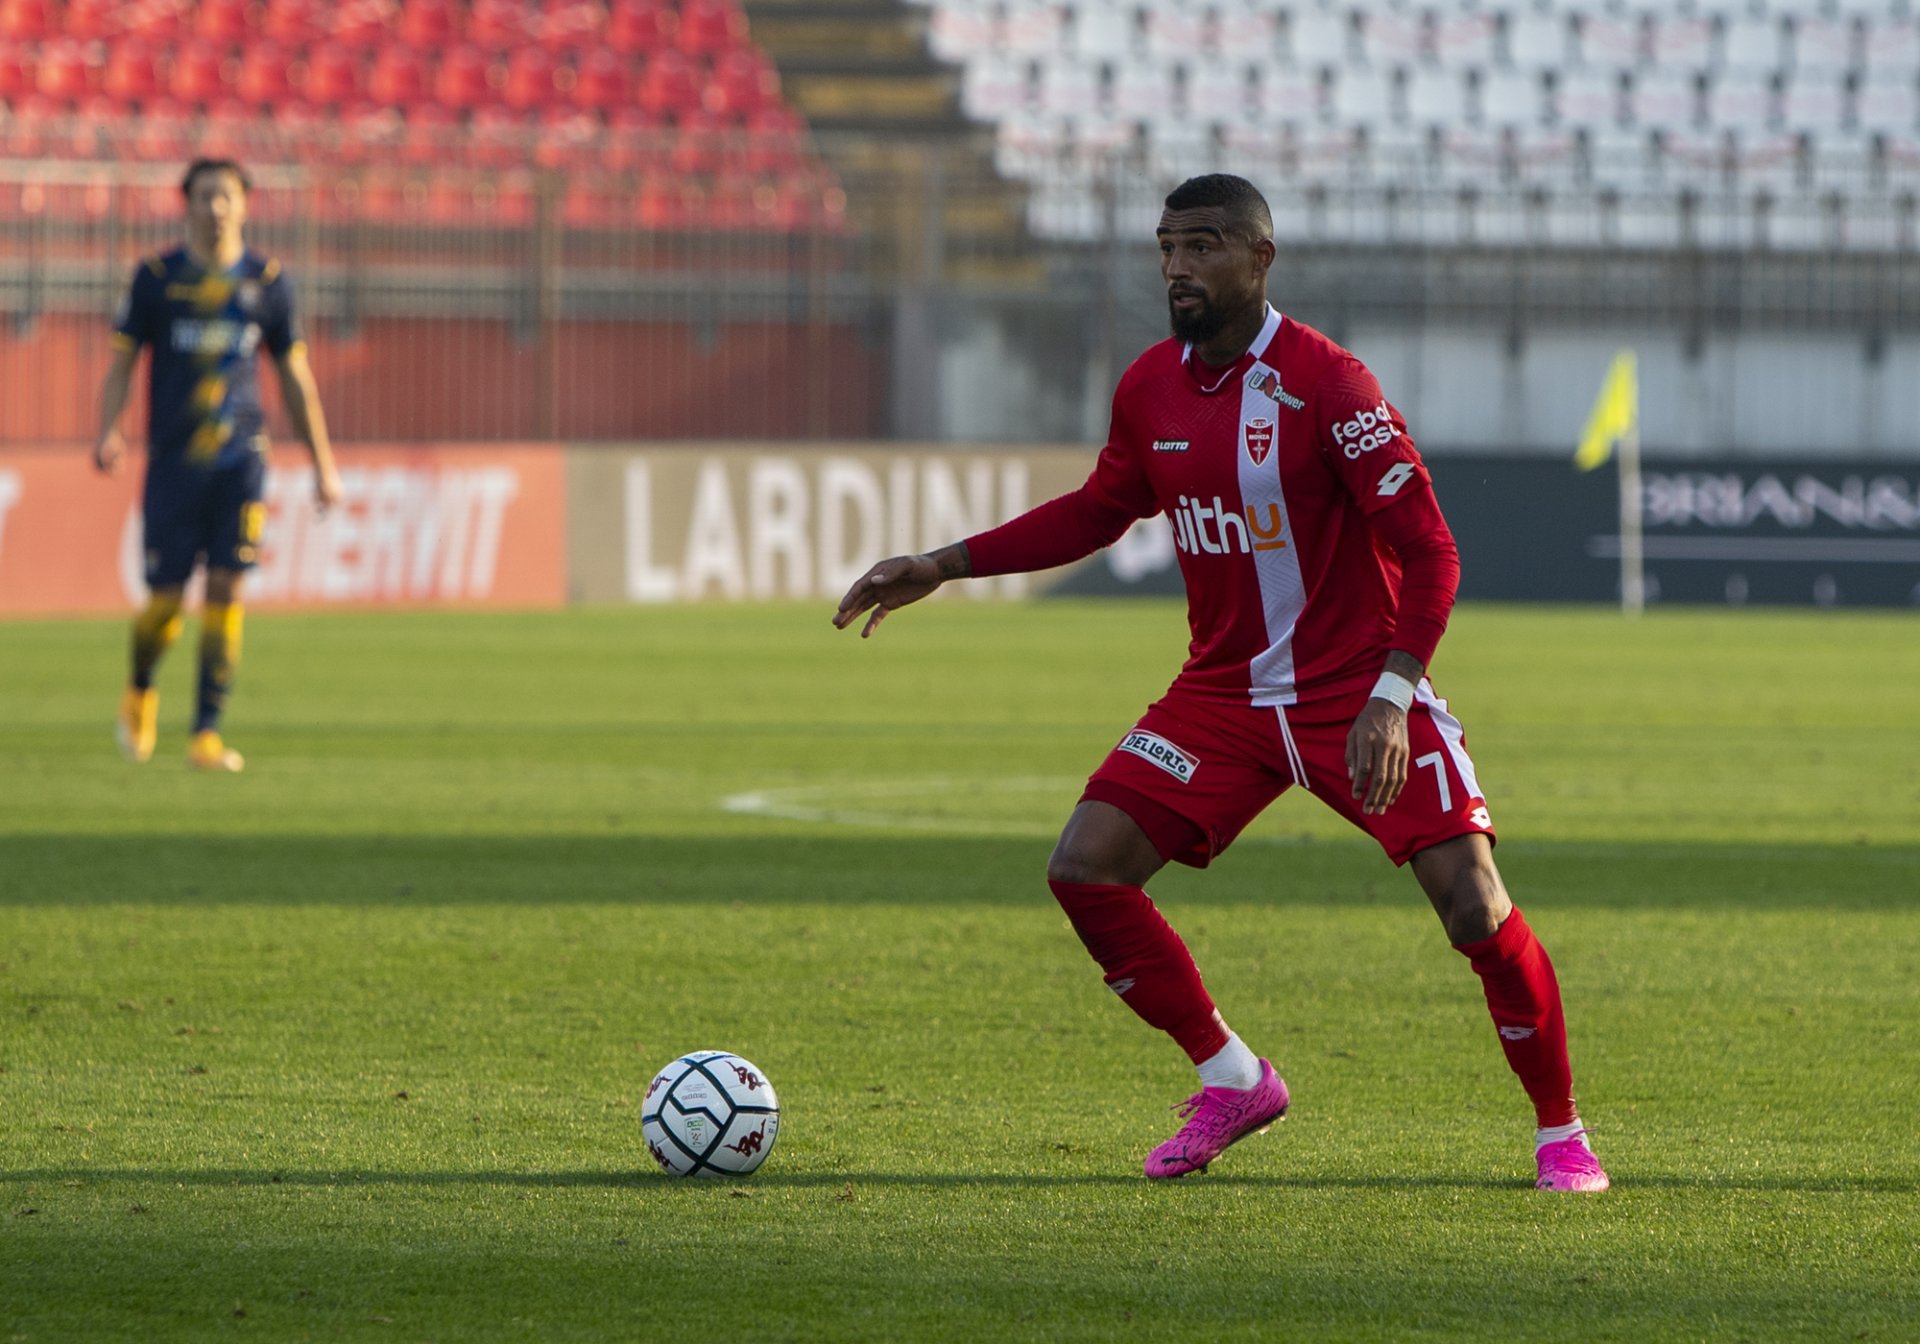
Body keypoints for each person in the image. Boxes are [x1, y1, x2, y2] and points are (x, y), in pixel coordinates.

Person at [833, 174, 1608, 1192]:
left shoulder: (1332, 386)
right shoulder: (1150, 385)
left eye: (1200, 246)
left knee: (1471, 901)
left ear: (1258, 257)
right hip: (1226, 697)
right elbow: (1098, 510)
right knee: (1087, 864)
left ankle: (1561, 1133)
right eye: (1165, 247)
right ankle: (1233, 1079)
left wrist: (1392, 691)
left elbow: (1431, 551)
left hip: (1351, 691)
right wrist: (945, 562)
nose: (1177, 267)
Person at [93, 157, 340, 772]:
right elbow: (122, 364)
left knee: (229, 587)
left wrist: (323, 464)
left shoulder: (269, 283)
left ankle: (206, 732)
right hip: (175, 465)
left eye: (226, 197)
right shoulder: (156, 279)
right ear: (187, 205)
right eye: (204, 197)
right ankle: (141, 687)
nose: (215, 208)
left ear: (245, 205)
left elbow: (294, 377)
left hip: (242, 462)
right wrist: (109, 431)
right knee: (167, 602)